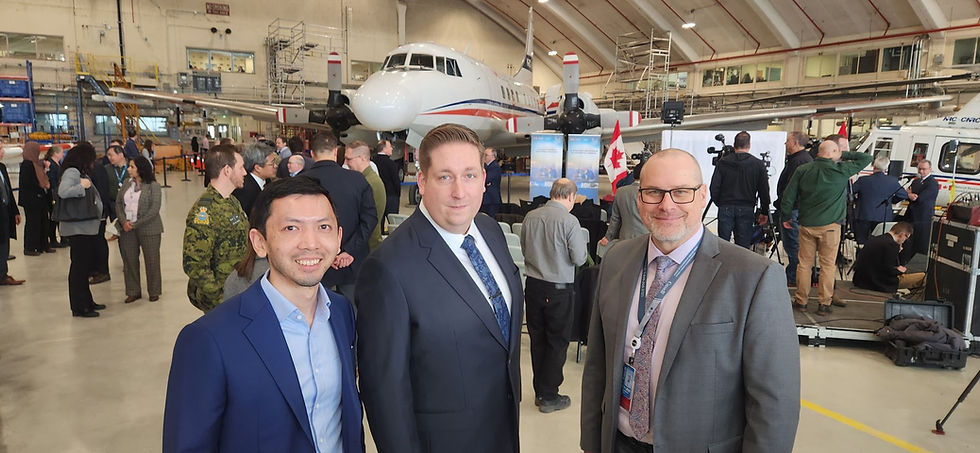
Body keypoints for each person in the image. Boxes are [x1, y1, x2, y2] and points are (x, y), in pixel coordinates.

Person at [581, 149, 800, 453]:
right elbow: (597, 367)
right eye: (653, 192)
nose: (666, 205)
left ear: (702, 195)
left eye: (681, 192)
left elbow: (774, 403)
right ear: (639, 198)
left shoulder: (755, 277)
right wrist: (592, 443)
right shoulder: (617, 259)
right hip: (618, 443)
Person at [164, 177, 364, 453]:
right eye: (291, 227)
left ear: (338, 238)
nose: (311, 243)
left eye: (323, 227)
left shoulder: (342, 314)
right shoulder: (208, 339)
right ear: (260, 243)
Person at [356, 124, 523, 453]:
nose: (460, 192)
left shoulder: (490, 231)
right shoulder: (388, 269)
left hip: (504, 427)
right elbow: (385, 392)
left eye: (470, 175)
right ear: (422, 181)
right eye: (445, 177)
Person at [781, 137, 872, 315]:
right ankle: (824, 303)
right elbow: (865, 158)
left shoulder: (803, 170)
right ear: (832, 154)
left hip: (806, 225)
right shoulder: (841, 170)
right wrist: (840, 153)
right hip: (830, 227)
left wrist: (785, 216)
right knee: (827, 266)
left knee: (804, 265)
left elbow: (788, 195)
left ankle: (801, 301)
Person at [520, 178, 587, 413]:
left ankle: (540, 389)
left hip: (534, 287)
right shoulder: (569, 221)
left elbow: (525, 249)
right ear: (570, 196)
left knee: (538, 341)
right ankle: (549, 395)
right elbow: (579, 259)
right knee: (557, 343)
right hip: (558, 290)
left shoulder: (531, 216)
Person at [301, 133, 376, 299]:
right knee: (352, 314)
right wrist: (348, 251)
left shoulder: (299, 183)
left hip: (313, 263)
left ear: (312, 154)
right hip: (352, 262)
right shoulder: (357, 180)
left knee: (314, 313)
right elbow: (370, 219)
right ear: (335, 152)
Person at [182, 144, 249, 312]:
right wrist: (218, 298)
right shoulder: (204, 211)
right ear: (227, 170)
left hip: (236, 291)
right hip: (222, 301)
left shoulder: (231, 201)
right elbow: (194, 264)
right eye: (240, 167)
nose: (245, 172)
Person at [58, 142, 107, 317]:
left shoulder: (79, 172)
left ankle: (87, 301)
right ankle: (80, 307)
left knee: (84, 266)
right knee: (79, 268)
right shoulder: (72, 172)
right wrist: (82, 187)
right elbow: (63, 191)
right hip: (77, 228)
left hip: (84, 228)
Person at [709, 131, 770, 249]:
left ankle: (723, 267)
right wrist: (764, 211)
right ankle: (741, 267)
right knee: (743, 247)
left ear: (734, 144)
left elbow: (714, 187)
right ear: (749, 145)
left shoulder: (723, 162)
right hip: (747, 208)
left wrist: (720, 203)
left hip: (726, 207)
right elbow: (764, 190)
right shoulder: (758, 164)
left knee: (722, 245)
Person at [115, 156, 163, 304]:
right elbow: (118, 203)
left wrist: (135, 224)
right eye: (129, 166)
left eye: (132, 167)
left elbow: (154, 209)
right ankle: (133, 291)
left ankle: (154, 291)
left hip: (149, 228)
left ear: (141, 169)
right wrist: (124, 222)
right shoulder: (126, 183)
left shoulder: (153, 186)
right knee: (129, 260)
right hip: (127, 229)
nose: (129, 169)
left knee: (152, 260)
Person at [774, 131, 813, 286]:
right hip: (792, 209)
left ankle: (793, 278)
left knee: (793, 245)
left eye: (788, 141)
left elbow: (794, 190)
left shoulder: (800, 161)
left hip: (793, 211)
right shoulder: (797, 160)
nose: (785, 144)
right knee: (791, 244)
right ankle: (793, 276)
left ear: (796, 143)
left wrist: (787, 211)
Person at [852, 222, 926, 294]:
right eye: (906, 238)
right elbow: (889, 270)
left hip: (862, 280)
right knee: (923, 277)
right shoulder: (892, 245)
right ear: (902, 235)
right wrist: (900, 270)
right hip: (878, 282)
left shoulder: (875, 239)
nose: (904, 241)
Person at [851, 155, 908, 245]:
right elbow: (903, 195)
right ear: (886, 168)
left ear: (874, 167)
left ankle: (861, 258)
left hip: (863, 216)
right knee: (879, 244)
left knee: (862, 244)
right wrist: (891, 201)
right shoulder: (892, 181)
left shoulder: (863, 180)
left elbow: (850, 192)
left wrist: (856, 200)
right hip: (883, 217)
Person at [343, 141, 386, 251]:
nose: (346, 163)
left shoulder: (369, 183)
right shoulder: (367, 180)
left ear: (362, 158)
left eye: (349, 159)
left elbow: (368, 223)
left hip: (367, 248)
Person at [900, 159, 939, 264]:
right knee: (908, 243)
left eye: (924, 169)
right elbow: (907, 194)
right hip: (911, 216)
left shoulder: (933, 183)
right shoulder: (915, 181)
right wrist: (909, 195)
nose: (921, 171)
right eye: (919, 169)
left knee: (921, 244)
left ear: (930, 169)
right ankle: (904, 262)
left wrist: (912, 195)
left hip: (923, 218)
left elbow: (921, 198)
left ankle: (918, 266)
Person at [600, 163, 648, 247]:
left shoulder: (621, 191)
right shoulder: (651, 193)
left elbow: (615, 219)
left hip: (624, 240)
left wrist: (608, 237)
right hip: (646, 240)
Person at [18, 142, 53, 255]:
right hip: (31, 200)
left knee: (43, 221)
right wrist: (40, 185)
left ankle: (43, 245)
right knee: (33, 223)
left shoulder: (36, 163)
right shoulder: (27, 165)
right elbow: (27, 182)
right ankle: (30, 247)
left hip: (40, 198)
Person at [87, 145, 115, 284]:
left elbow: (102, 192)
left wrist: (100, 210)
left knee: (99, 241)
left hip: (98, 212)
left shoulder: (97, 169)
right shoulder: (89, 168)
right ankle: (94, 269)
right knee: (92, 242)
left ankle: (103, 271)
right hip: (91, 213)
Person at [233, 142, 277, 217]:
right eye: (272, 164)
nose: (276, 166)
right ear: (257, 168)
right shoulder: (244, 189)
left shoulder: (267, 181)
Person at [0, 145, 24, 286]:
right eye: (0, 149)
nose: (3, 151)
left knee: (4, 243)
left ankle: (3, 274)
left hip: (5, 212)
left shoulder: (2, 167)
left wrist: (15, 211)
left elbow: (8, 190)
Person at [371, 139, 401, 227]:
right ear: (384, 149)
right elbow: (396, 181)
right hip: (391, 196)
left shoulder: (372, 162)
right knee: (393, 222)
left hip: (376, 196)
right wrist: (397, 194)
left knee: (378, 222)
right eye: (390, 147)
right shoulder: (391, 164)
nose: (392, 148)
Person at [45, 145, 67, 248]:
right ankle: (53, 239)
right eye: (61, 152)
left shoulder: (58, 164)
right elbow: (51, 179)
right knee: (54, 216)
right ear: (55, 153)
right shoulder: (51, 164)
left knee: (60, 216)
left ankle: (63, 237)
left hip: (60, 192)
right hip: (53, 193)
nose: (63, 154)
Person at [480, 147, 502, 217]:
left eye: (486, 155)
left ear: (493, 156)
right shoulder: (487, 167)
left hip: (491, 200)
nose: (484, 157)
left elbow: (485, 179)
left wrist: (484, 182)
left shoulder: (495, 167)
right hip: (487, 200)